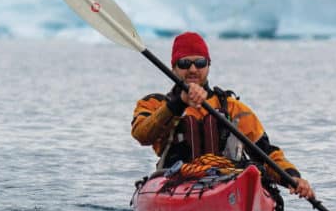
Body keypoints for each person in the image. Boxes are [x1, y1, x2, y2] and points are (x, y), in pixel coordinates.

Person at [129, 32, 314, 200]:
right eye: (185, 63)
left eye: (200, 63)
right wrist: (178, 103)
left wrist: (293, 177)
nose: (193, 69)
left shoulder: (233, 108)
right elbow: (142, 134)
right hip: (177, 184)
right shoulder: (154, 104)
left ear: (208, 65)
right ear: (173, 68)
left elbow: (267, 152)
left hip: (230, 182)